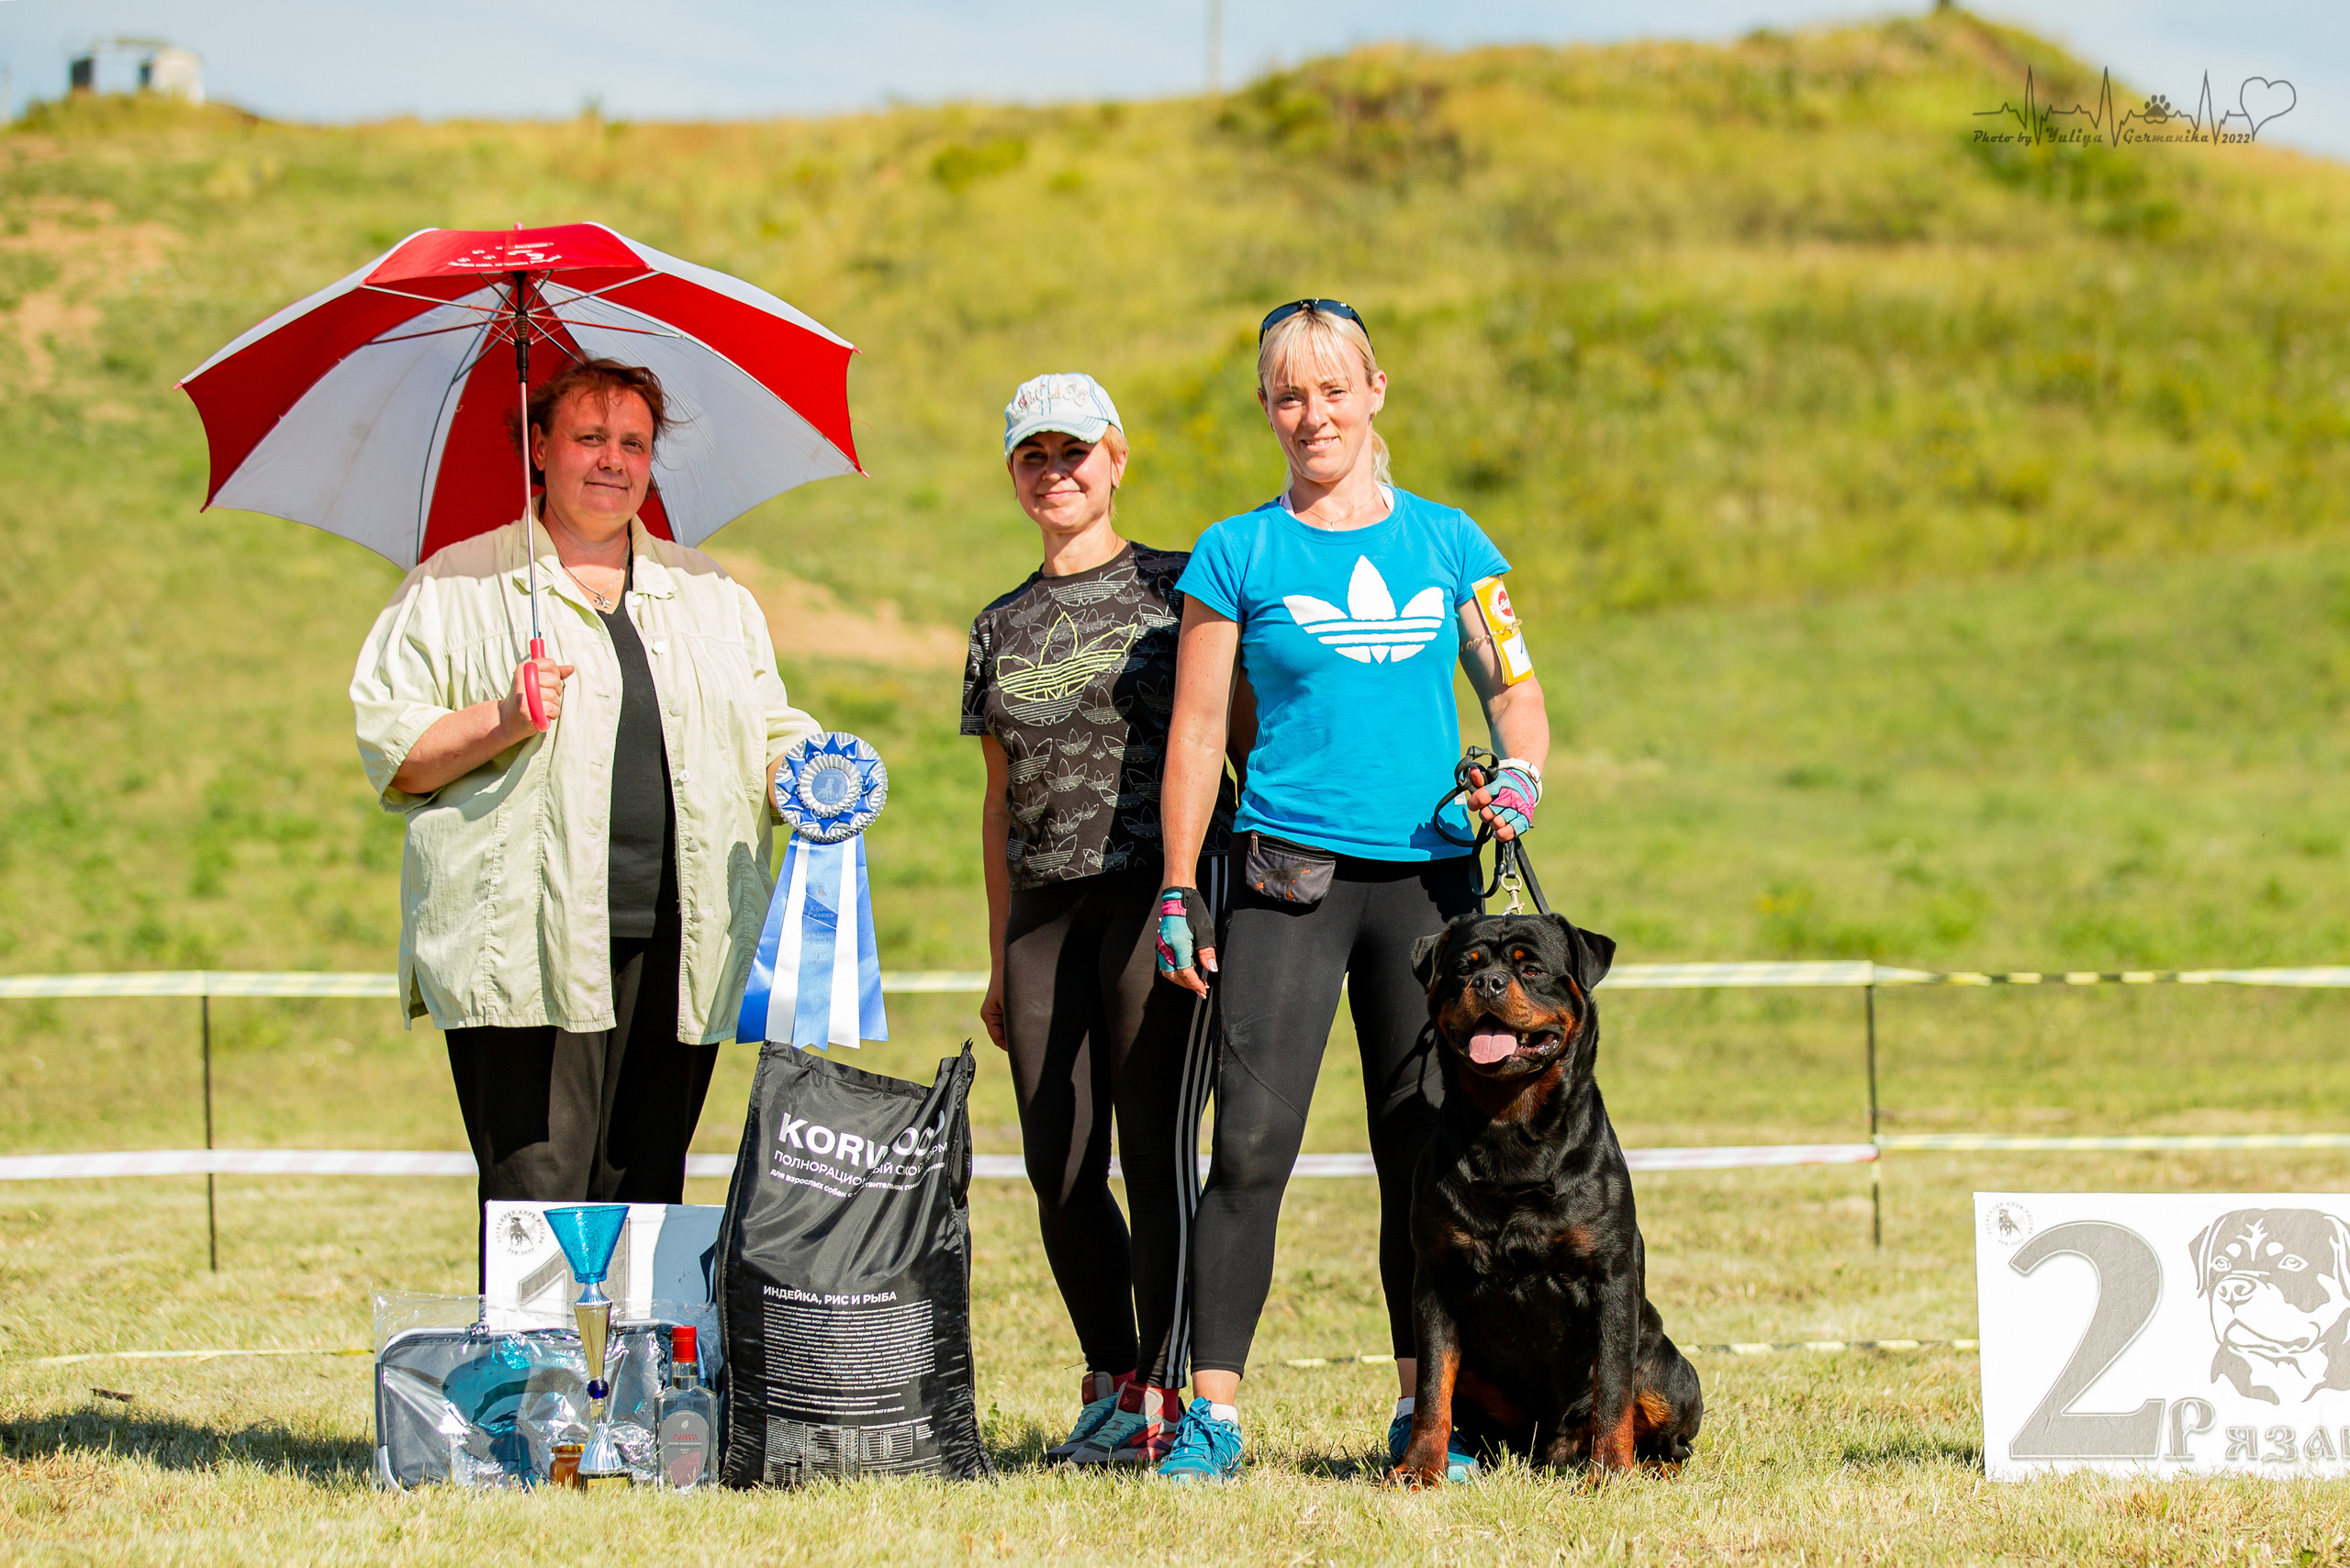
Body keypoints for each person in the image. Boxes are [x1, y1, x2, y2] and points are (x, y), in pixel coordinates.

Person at [1148, 301, 1551, 1483]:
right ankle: (1210, 1414)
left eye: (1331, 388)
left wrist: (1517, 774)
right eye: (1286, 393)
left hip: (1428, 890)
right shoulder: (1236, 552)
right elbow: (1189, 738)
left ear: (1376, 389)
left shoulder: (1452, 542)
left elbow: (1516, 694)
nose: (1310, 414)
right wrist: (1181, 886)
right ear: (1266, 408)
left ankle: (1427, 1415)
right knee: (1253, 1146)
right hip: (1284, 882)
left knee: (1420, 1157)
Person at [352, 358, 819, 1282]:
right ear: (539, 447)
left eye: (633, 443)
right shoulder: (454, 587)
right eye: (589, 437)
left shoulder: (711, 593)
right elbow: (394, 749)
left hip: (682, 938)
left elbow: (771, 724)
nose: (613, 461)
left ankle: (641, 1410)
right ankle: (535, 1409)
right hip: (518, 944)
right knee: (536, 1184)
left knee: (648, 1181)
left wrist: (807, 774)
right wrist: (503, 717)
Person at [963, 373, 1238, 1468]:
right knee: (1058, 1161)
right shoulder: (996, 625)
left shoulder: (1182, 590)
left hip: (1152, 900)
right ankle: (1114, 1376)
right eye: (1034, 455)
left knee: (1153, 1150)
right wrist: (997, 957)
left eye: (1075, 451)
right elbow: (996, 799)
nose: (1056, 472)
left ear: (1118, 457)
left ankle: (1173, 1390)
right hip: (1041, 912)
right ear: (1014, 474)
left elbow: (1233, 737)